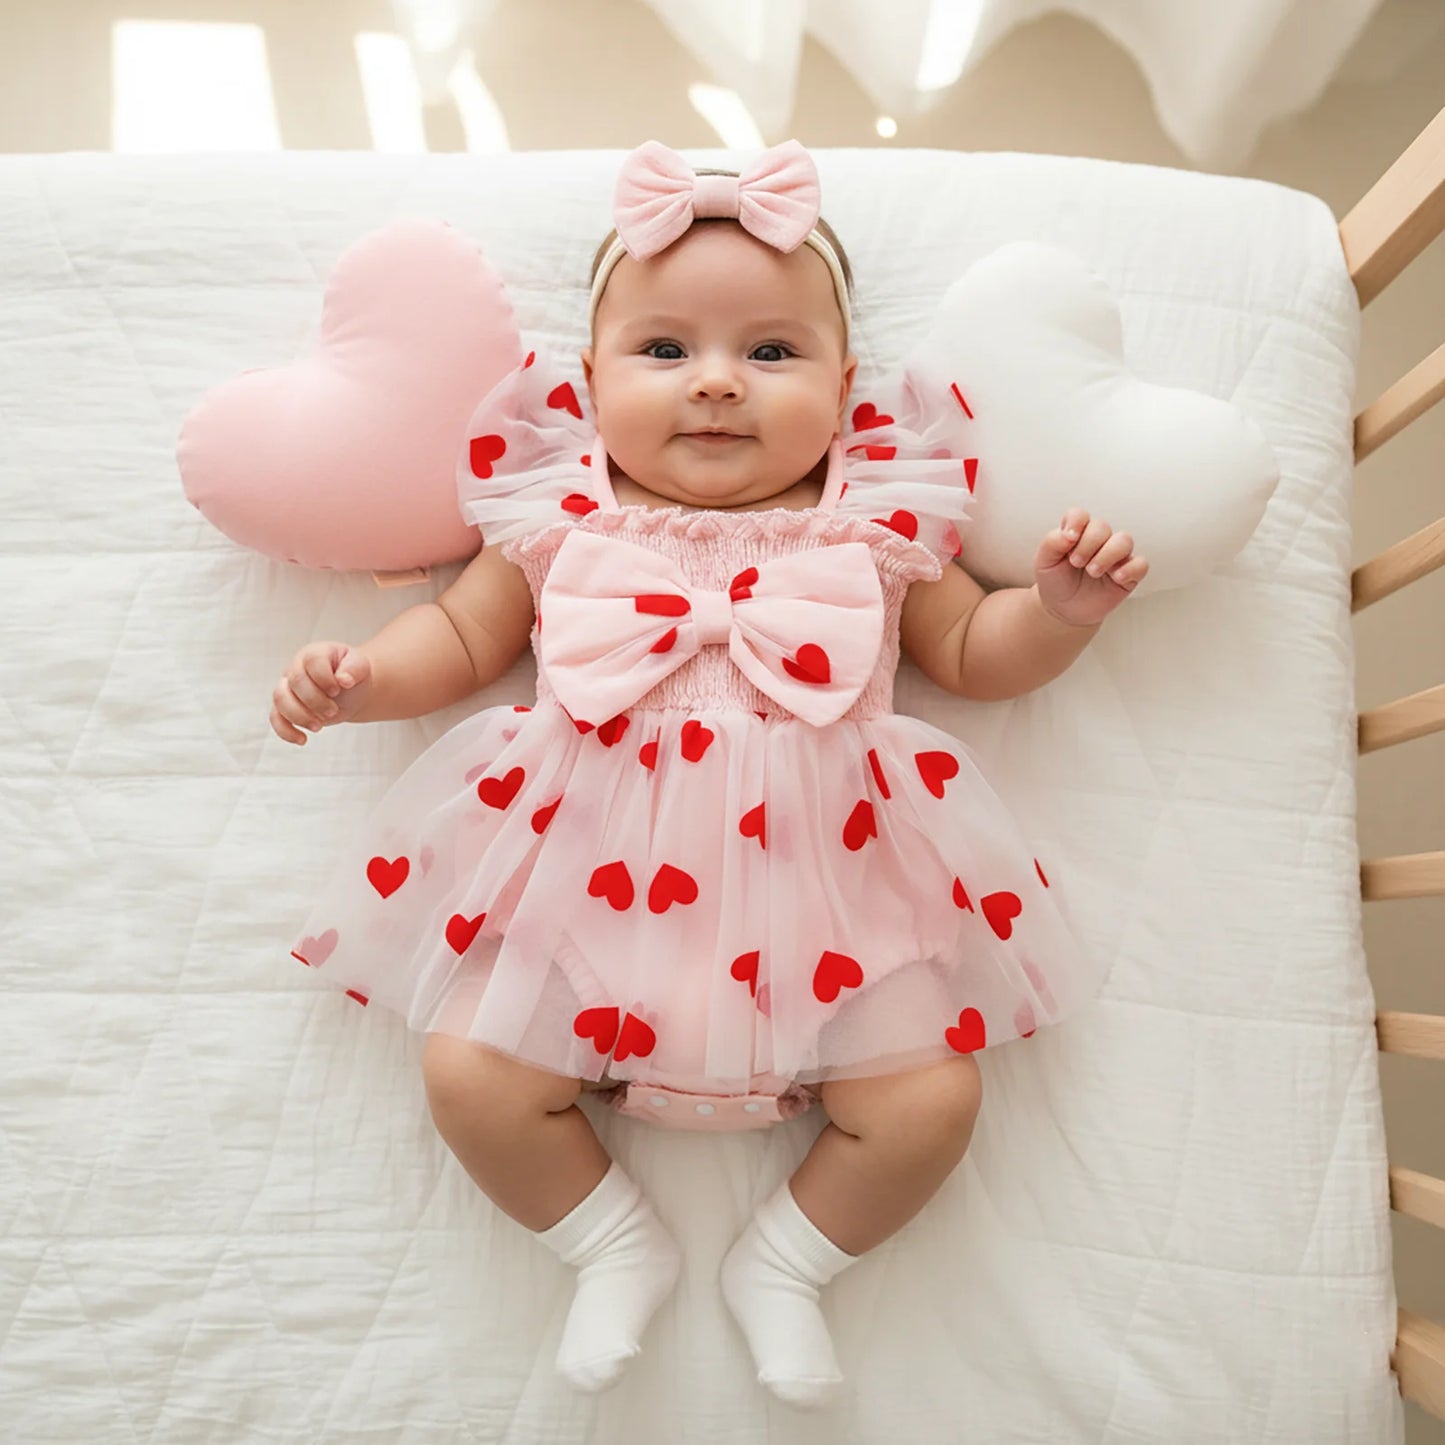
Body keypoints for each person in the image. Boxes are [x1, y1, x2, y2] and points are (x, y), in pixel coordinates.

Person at [272, 139, 1148, 1410]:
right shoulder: (559, 515)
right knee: (471, 1069)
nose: (718, 386)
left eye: (770, 353)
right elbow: (460, 637)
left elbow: (966, 650)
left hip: (830, 908)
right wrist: (361, 677)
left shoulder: (874, 522)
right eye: (665, 350)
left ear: (847, 390)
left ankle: (785, 1260)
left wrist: (1055, 612)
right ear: (588, 378)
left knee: (928, 1105)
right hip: (584, 899)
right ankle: (606, 1238)